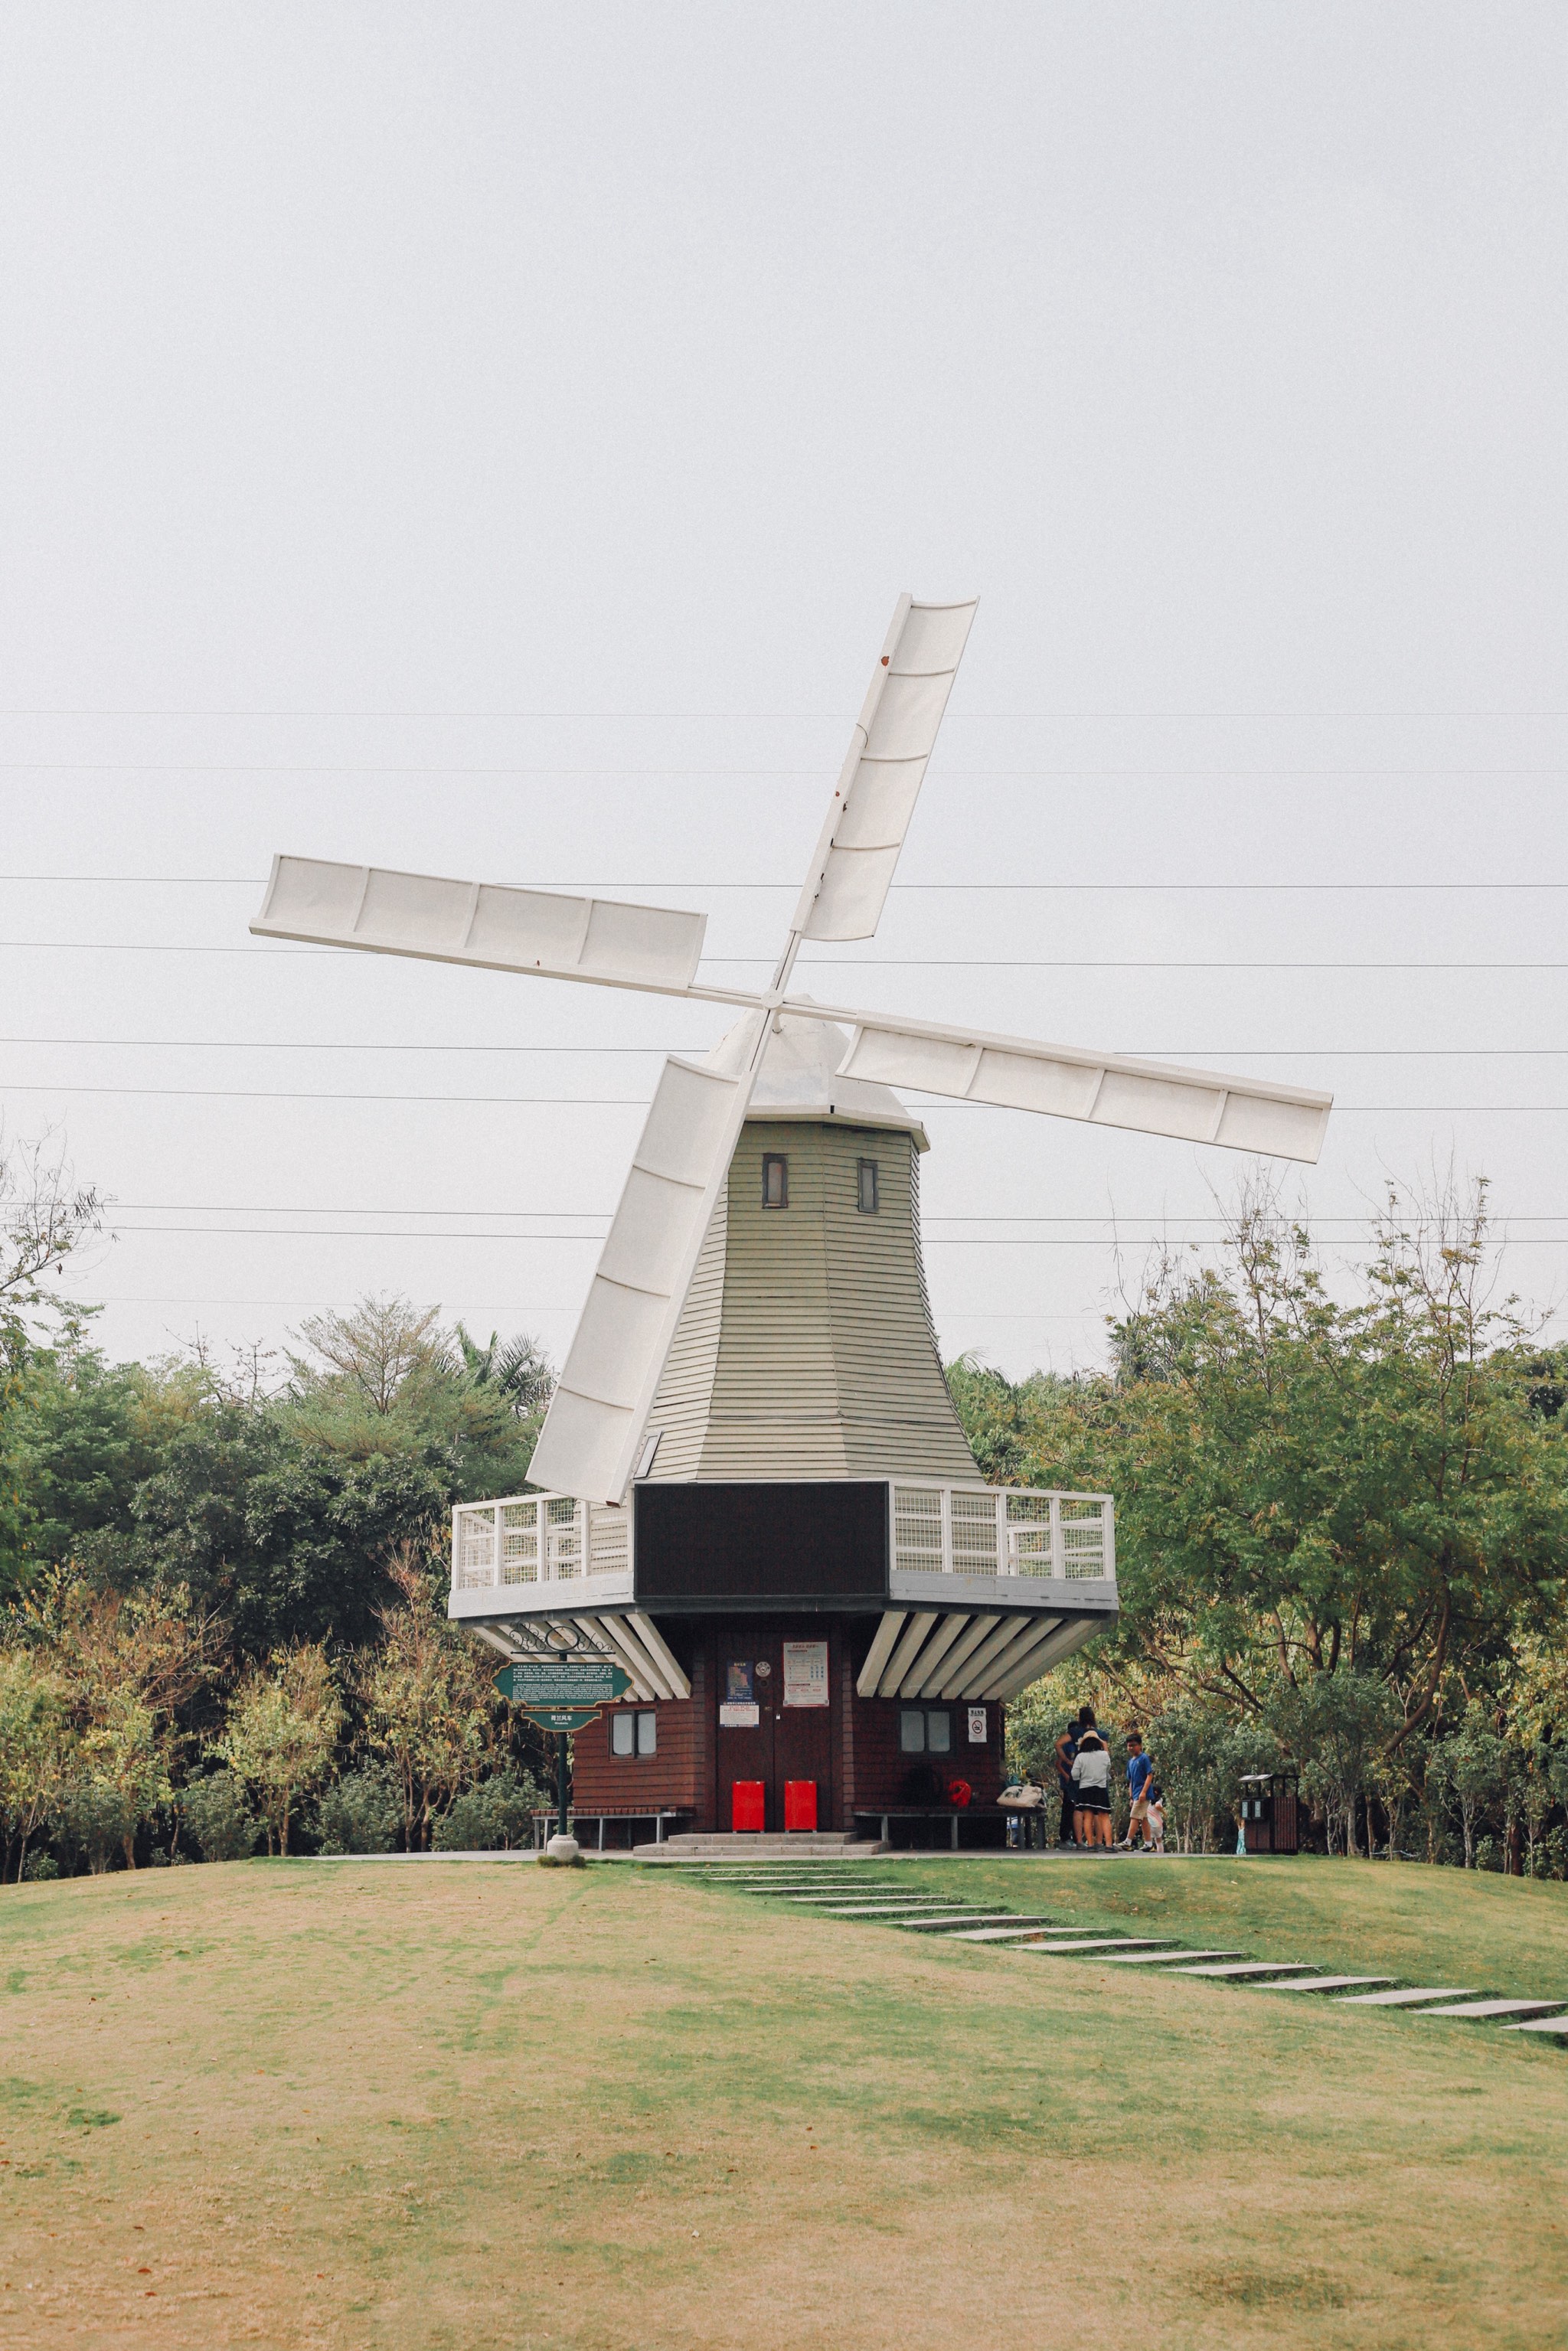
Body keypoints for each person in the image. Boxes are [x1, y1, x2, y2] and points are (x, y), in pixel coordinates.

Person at [1054, 1703, 1097, 1847]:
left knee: (1079, 1809)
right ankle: (1065, 1837)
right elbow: (1059, 1762)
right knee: (1069, 1808)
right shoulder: (1069, 1744)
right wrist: (1066, 1774)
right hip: (1070, 1780)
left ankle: (1077, 1837)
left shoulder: (1081, 1742)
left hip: (1080, 1779)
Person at [1070, 1729, 1113, 1847]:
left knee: (1087, 1817)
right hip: (1100, 1789)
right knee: (1104, 1816)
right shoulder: (1104, 1755)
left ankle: (1090, 1844)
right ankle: (1109, 1845)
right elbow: (1108, 1768)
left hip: (1085, 1789)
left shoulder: (1081, 1757)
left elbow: (1074, 1775)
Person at [1120, 1730, 1155, 1850]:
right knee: (1143, 1818)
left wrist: (1144, 1792)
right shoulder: (1130, 1762)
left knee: (1134, 1816)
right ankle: (1149, 1844)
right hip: (1135, 1794)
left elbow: (1149, 1775)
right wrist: (1131, 1797)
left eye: (1133, 1745)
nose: (1131, 1748)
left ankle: (1128, 1842)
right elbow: (1131, 1781)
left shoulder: (1144, 1758)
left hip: (1143, 1794)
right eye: (1129, 1745)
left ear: (1140, 1745)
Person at [1145, 1783, 1166, 1854]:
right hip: (1158, 1824)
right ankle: (1161, 1855)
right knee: (1159, 1841)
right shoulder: (1159, 1800)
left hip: (1148, 1824)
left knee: (1148, 1841)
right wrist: (1164, 1812)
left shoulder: (1148, 1799)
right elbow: (1157, 1806)